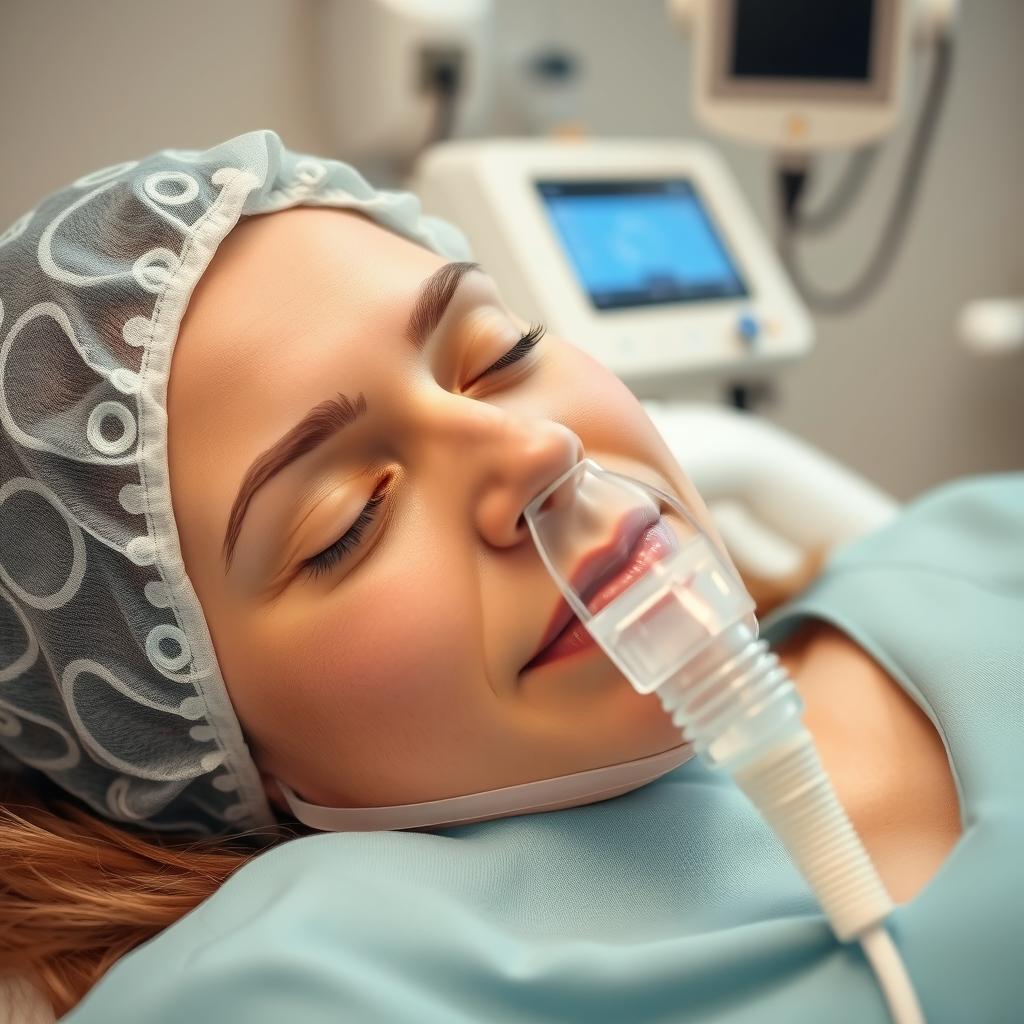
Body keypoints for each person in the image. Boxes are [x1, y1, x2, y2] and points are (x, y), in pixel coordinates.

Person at [0, 131, 1015, 1023]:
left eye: (498, 353)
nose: (535, 451)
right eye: (348, 522)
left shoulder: (975, 541)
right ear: (209, 745)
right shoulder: (306, 982)